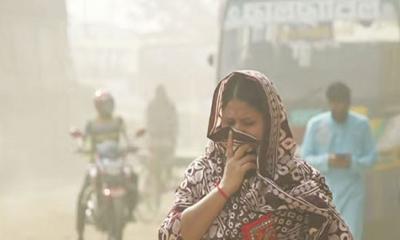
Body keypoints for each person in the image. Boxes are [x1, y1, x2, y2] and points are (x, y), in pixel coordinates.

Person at [159, 71, 352, 240]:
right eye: (230, 123)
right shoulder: (202, 171)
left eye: (248, 122)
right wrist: (224, 188)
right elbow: (175, 234)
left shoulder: (300, 177)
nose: (237, 132)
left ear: (270, 123)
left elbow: (335, 232)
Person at [302, 82, 377, 240]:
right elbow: (305, 159)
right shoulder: (316, 124)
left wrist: (352, 162)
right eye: (336, 103)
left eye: (343, 103)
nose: (340, 108)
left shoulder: (361, 125)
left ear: (349, 103)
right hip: (323, 191)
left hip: (352, 191)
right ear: (330, 103)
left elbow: (372, 158)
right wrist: (328, 160)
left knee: (352, 234)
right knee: (325, 234)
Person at [76, 89, 138, 240]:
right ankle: (80, 229)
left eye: (109, 104)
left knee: (133, 177)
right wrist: (82, 147)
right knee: (83, 195)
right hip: (98, 162)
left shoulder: (118, 121)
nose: (107, 108)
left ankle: (130, 211)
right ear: (97, 106)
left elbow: (127, 138)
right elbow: (85, 142)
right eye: (104, 105)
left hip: (117, 161)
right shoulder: (91, 124)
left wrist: (132, 145)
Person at [146, 85, 178, 190]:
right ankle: (161, 179)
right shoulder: (164, 106)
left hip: (163, 139)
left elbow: (174, 123)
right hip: (159, 139)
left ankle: (166, 178)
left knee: (166, 161)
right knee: (156, 162)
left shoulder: (167, 106)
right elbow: (148, 122)